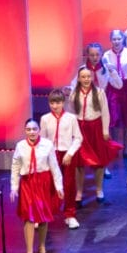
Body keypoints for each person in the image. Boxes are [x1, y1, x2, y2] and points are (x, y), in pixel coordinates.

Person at [10, 119, 64, 253]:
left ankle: (41, 246)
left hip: (43, 183)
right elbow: (15, 167)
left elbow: (54, 166)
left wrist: (59, 187)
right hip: (27, 183)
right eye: (28, 129)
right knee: (28, 217)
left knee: (42, 216)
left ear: (39, 130)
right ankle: (29, 252)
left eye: (34, 129)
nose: (32, 132)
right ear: (25, 131)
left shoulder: (47, 145)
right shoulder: (20, 146)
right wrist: (14, 188)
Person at [70, 67, 120, 206]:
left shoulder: (99, 92)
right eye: (83, 77)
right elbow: (72, 115)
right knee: (79, 163)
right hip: (81, 129)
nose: (86, 79)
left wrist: (105, 130)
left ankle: (99, 190)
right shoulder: (74, 95)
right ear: (79, 79)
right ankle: (79, 192)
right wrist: (73, 133)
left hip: (96, 128)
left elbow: (105, 112)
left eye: (88, 77)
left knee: (99, 161)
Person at [39, 89, 82, 230]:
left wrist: (70, 153)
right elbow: (43, 139)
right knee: (49, 184)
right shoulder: (45, 119)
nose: (55, 106)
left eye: (57, 102)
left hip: (67, 154)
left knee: (69, 184)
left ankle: (70, 215)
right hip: (51, 154)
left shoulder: (71, 118)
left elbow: (78, 138)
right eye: (52, 103)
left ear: (63, 102)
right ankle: (46, 213)